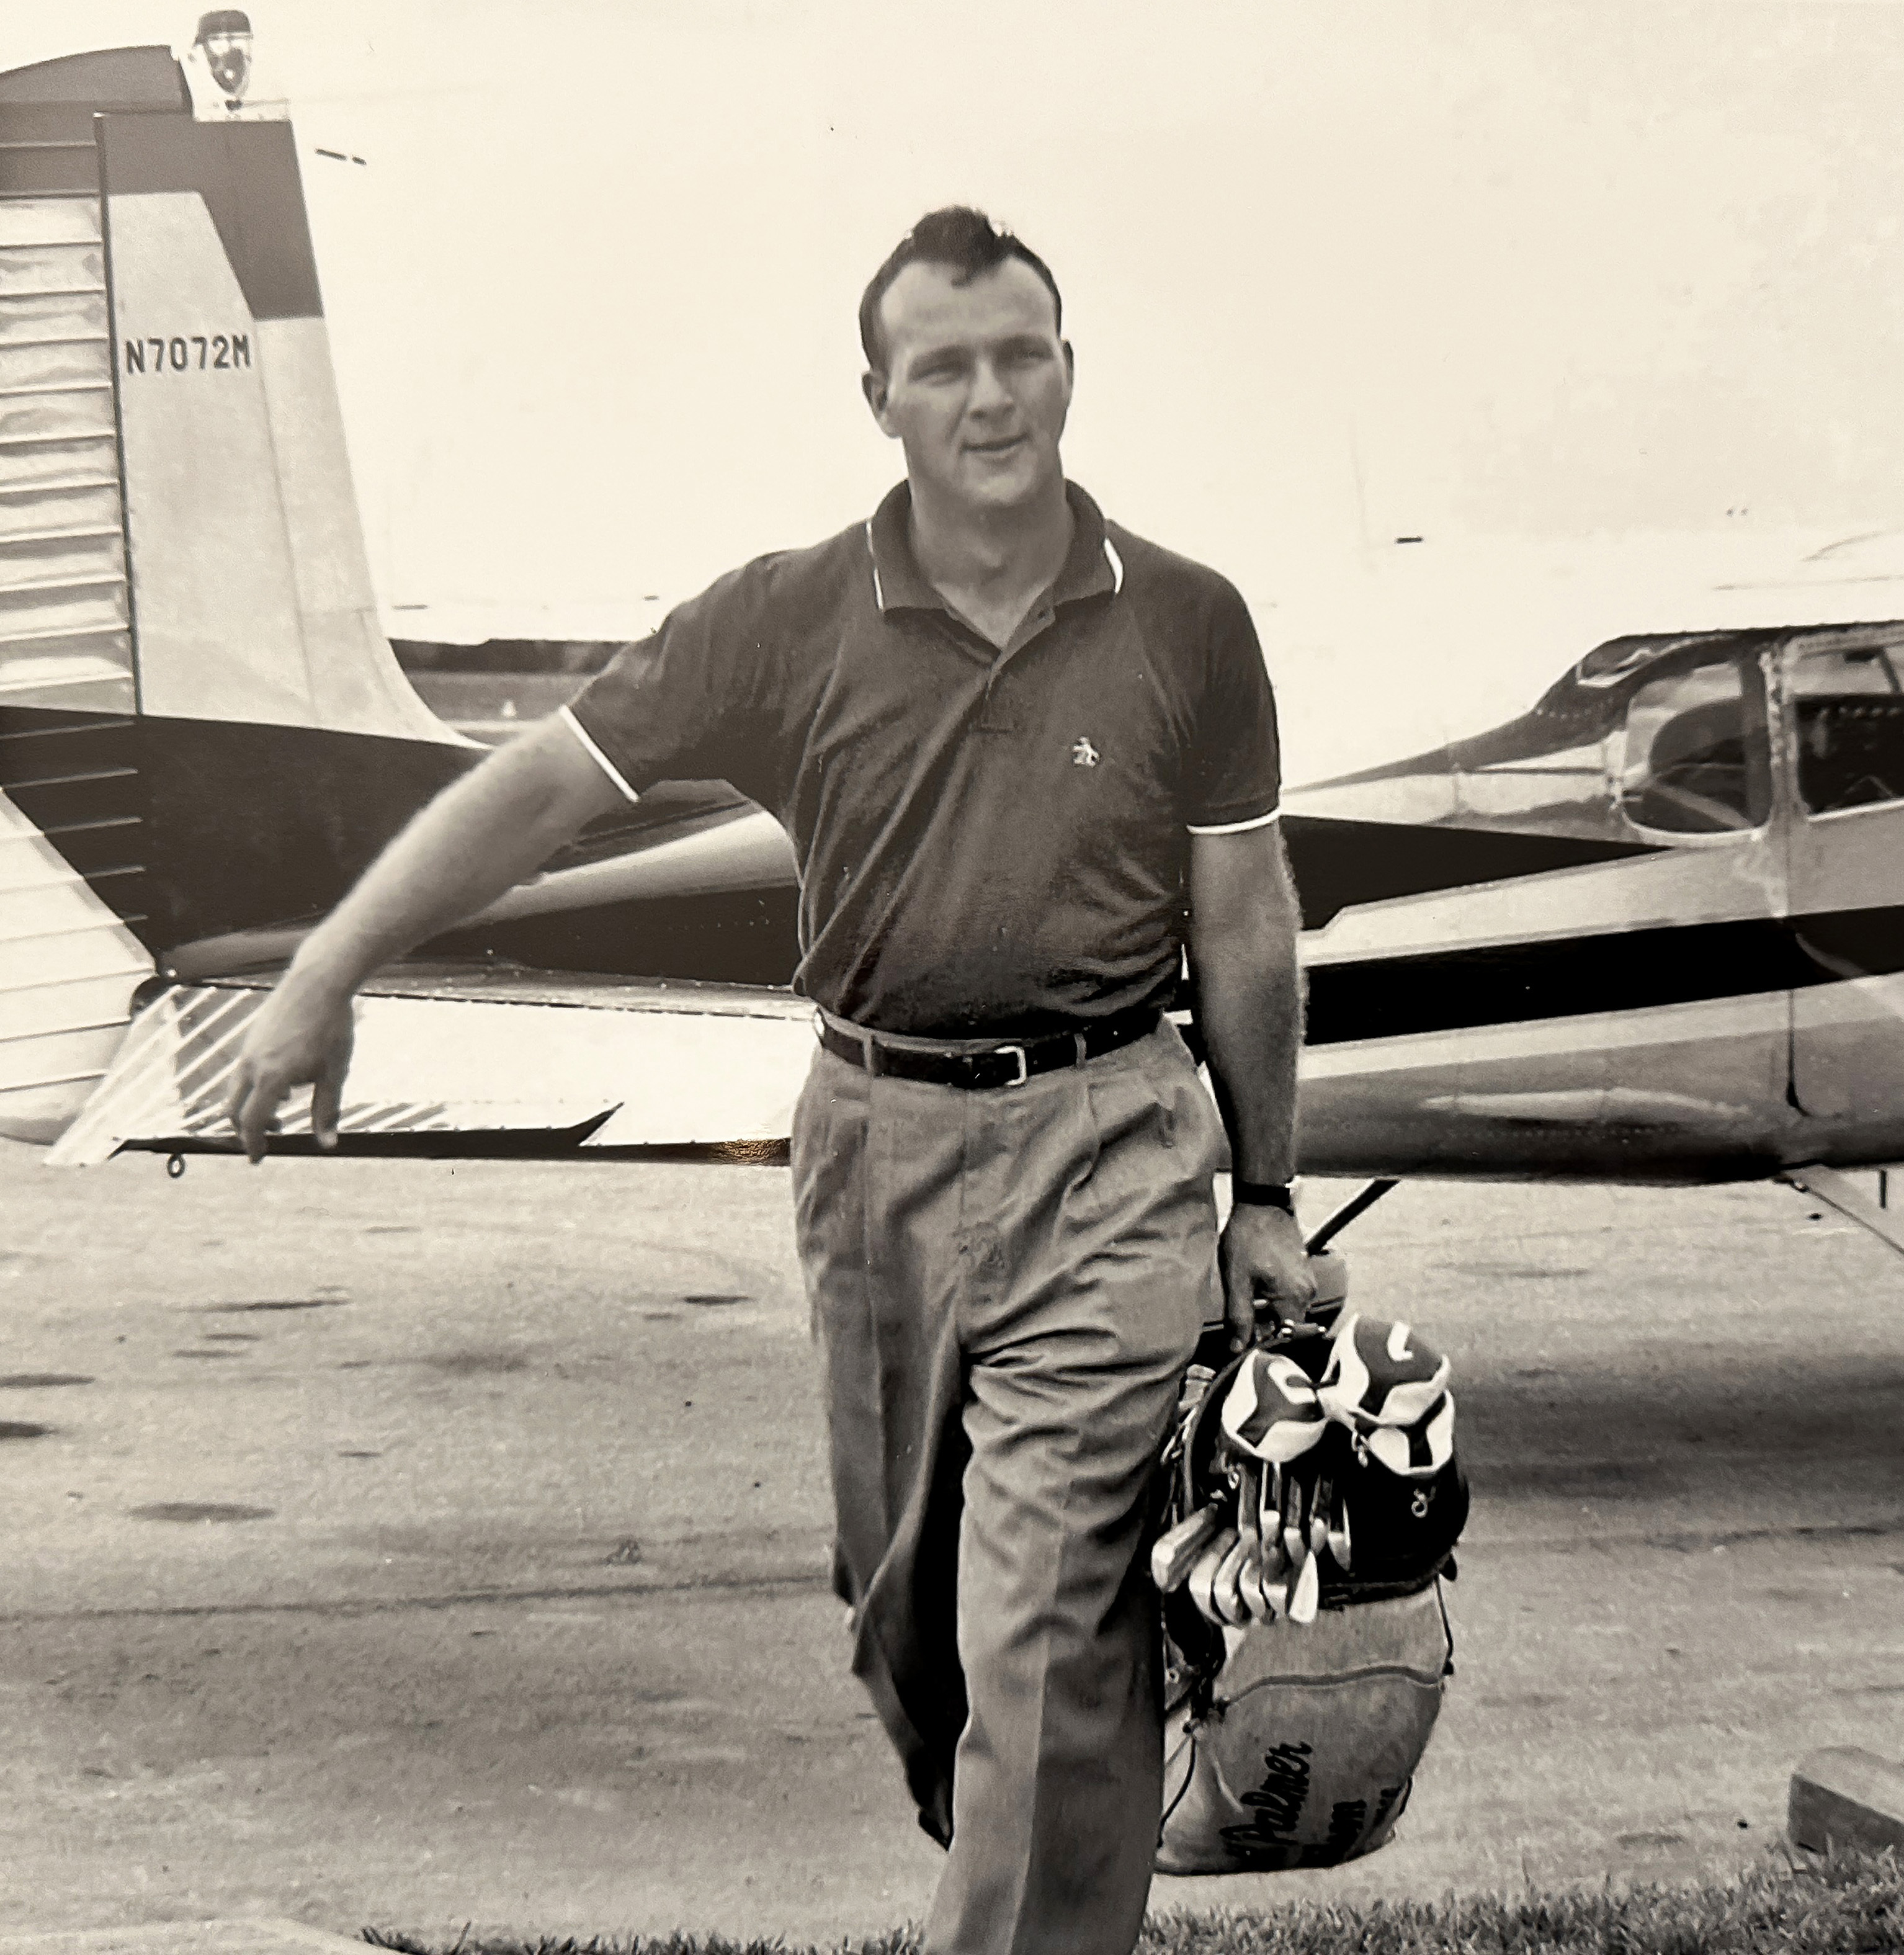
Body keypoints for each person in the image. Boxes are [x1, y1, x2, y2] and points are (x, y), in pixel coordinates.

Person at [224, 205, 1313, 1955]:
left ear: (1070, 370)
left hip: (1111, 1140)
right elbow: (540, 794)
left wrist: (1263, 1196)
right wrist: (329, 963)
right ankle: (1027, 1829)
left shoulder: (1189, 622)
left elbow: (1246, 921)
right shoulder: (780, 622)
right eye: (943, 366)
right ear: (877, 398)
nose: (990, 395)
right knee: (916, 1636)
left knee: (1044, 1628)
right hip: (873, 1149)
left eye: (1021, 354)